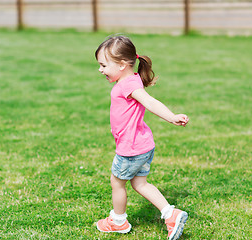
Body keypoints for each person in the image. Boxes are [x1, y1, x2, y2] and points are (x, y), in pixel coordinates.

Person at [95, 35, 189, 240]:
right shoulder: (131, 78)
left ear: (121, 64)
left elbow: (150, 102)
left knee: (117, 182)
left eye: (103, 65)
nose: (100, 70)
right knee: (140, 184)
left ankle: (118, 221)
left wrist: (171, 117)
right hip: (143, 145)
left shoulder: (128, 85)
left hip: (131, 148)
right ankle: (170, 214)